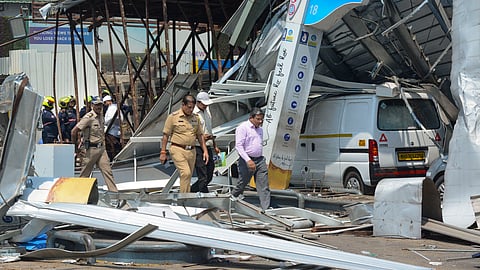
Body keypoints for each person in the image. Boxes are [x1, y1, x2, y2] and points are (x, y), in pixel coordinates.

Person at [160, 94, 209, 193]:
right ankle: (184, 198)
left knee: (189, 175)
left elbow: (200, 136)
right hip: (177, 148)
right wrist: (163, 152)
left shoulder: (195, 118)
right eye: (189, 107)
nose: (191, 110)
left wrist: (205, 151)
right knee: (185, 173)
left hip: (191, 151)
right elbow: (165, 135)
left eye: (192, 108)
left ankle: (185, 195)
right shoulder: (173, 117)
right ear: (183, 105)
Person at [71, 96, 118, 192]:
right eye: (96, 105)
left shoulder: (101, 116)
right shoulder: (89, 117)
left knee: (108, 172)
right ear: (92, 105)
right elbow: (74, 131)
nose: (99, 107)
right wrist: (76, 149)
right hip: (90, 150)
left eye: (100, 105)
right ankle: (79, 195)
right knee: (85, 175)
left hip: (101, 149)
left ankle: (115, 194)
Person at [231, 107, 270, 210]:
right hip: (246, 159)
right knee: (242, 183)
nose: (260, 121)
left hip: (260, 159)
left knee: (263, 185)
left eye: (261, 119)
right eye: (258, 119)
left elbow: (260, 145)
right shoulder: (243, 128)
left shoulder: (260, 129)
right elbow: (239, 146)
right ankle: (231, 199)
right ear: (251, 118)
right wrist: (248, 160)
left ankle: (265, 209)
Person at [191, 91, 220, 193]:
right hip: (198, 146)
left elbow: (209, 129)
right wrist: (202, 137)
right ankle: (203, 193)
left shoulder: (207, 111)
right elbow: (191, 132)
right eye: (203, 104)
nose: (205, 106)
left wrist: (215, 145)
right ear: (198, 103)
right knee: (202, 173)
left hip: (208, 145)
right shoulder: (193, 114)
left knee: (209, 172)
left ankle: (193, 190)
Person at [103, 95, 122, 161]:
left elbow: (111, 118)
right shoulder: (113, 107)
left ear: (108, 101)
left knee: (112, 146)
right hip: (114, 130)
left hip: (112, 130)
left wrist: (104, 122)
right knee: (114, 145)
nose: (105, 104)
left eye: (105, 102)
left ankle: (114, 158)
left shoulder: (112, 108)